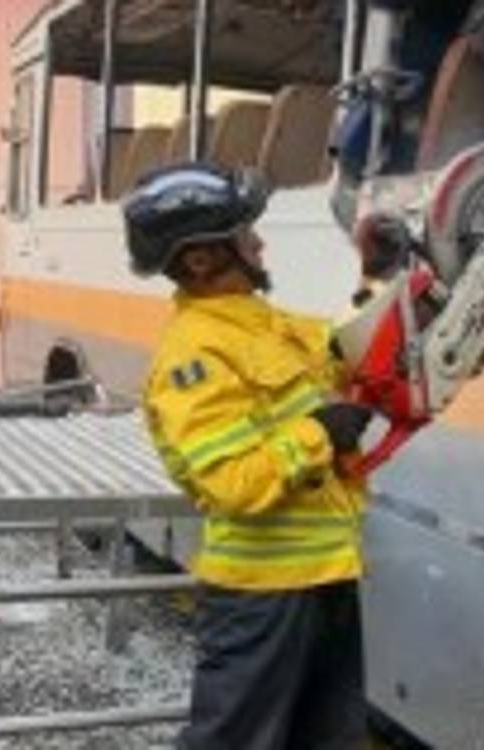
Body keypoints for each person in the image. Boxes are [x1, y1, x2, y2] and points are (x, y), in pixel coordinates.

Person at [124, 163, 375, 750]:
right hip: (262, 598)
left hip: (325, 578)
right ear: (201, 260)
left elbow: (348, 348)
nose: (259, 243)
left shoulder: (264, 324)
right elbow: (232, 483)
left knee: (329, 740)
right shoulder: (194, 356)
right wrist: (320, 433)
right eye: (245, 233)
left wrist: (384, 279)